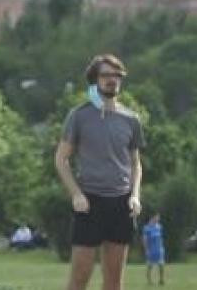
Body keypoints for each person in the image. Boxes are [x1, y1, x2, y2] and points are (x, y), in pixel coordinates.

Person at [55, 54, 145, 290]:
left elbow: (136, 163)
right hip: (89, 202)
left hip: (121, 204)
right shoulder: (79, 116)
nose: (112, 80)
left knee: (114, 282)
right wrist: (76, 194)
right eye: (106, 75)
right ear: (95, 80)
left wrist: (135, 195)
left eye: (117, 76)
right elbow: (61, 159)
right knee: (79, 278)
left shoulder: (131, 119)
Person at [142, 213, 165, 286]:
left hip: (159, 249)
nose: (158, 218)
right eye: (157, 217)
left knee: (161, 265)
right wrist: (146, 250)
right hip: (151, 249)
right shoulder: (147, 228)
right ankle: (149, 281)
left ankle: (161, 280)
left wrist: (162, 247)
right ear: (152, 217)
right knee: (150, 266)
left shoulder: (159, 227)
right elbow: (145, 240)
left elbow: (160, 238)